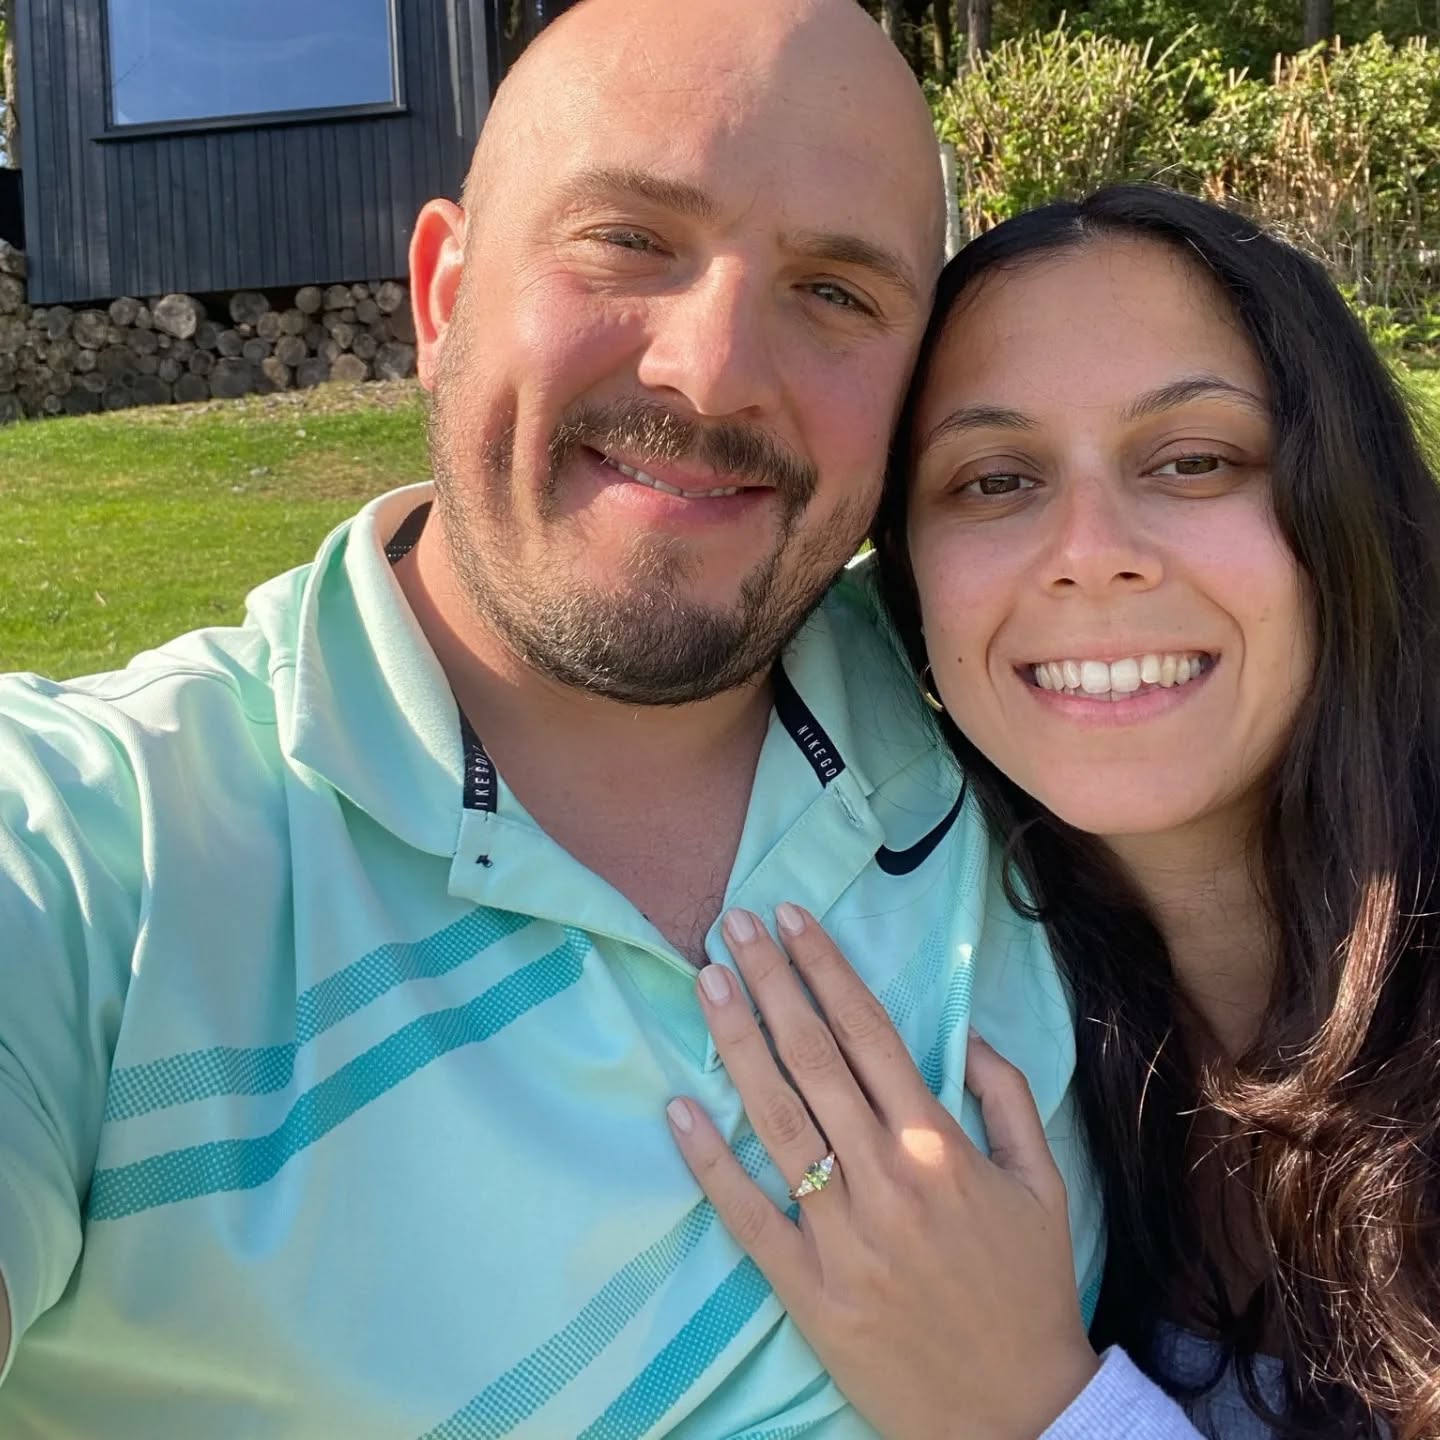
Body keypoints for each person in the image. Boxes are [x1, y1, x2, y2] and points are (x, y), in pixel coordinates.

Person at [0, 1, 1104, 1435]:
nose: (711, 374)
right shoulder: (100, 852)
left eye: (837, 291)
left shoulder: (1021, 718)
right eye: (629, 239)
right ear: (443, 294)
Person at [666, 184, 1440, 1439]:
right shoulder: (983, 1009)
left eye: (1194, 460)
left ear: (1349, 511)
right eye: (994, 479)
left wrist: (1036, 1409)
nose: (1089, 549)